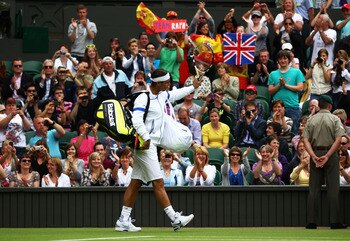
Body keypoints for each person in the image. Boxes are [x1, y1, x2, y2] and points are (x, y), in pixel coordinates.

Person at [115, 69, 199, 232]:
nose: (169, 85)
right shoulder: (142, 98)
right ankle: (175, 218)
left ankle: (123, 220)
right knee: (158, 182)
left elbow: (175, 94)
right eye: (167, 82)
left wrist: (191, 87)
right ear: (157, 82)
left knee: (136, 182)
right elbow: (137, 120)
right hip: (145, 145)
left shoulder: (162, 95)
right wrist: (145, 138)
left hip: (150, 144)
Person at [303, 94, 347, 229]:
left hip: (315, 152)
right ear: (330, 106)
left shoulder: (311, 120)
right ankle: (334, 221)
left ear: (318, 105)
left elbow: (305, 140)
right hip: (331, 153)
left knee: (313, 189)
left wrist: (313, 156)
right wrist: (327, 156)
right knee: (333, 189)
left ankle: (311, 222)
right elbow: (339, 139)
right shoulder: (334, 119)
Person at [268, 50, 304, 134]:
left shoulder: (297, 72)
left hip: (292, 107)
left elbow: (300, 88)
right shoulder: (273, 74)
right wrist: (279, 85)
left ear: (289, 60)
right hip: (277, 108)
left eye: (285, 59)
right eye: (280, 59)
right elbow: (270, 91)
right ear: (278, 61)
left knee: (293, 132)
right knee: (275, 131)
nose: (283, 61)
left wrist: (285, 85)